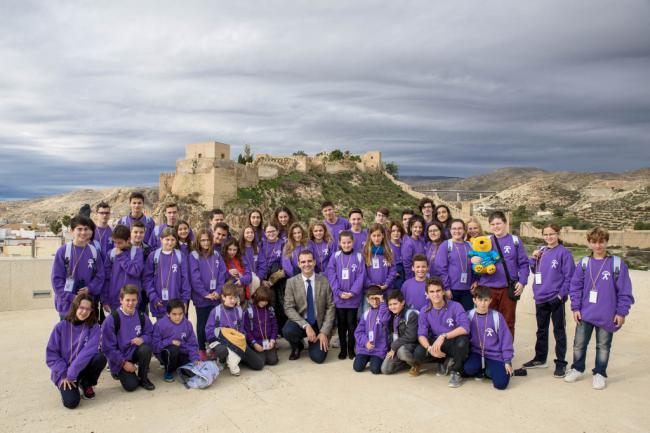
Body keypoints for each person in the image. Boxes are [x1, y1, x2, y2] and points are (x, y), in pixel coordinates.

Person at [565, 227, 634, 390]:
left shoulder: (616, 264)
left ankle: (600, 373)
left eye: (601, 242)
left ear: (606, 242)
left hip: (607, 314)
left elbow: (625, 290)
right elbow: (575, 287)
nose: (598, 246)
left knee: (603, 346)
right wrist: (575, 308)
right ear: (589, 243)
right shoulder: (584, 263)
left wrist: (621, 312)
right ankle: (577, 368)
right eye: (594, 242)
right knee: (579, 344)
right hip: (585, 312)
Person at [522, 223, 574, 378]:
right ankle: (540, 358)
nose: (549, 237)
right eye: (546, 234)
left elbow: (569, 277)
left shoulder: (564, 253)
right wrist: (533, 258)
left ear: (558, 234)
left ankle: (561, 363)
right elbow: (534, 270)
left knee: (559, 331)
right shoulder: (542, 250)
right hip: (540, 297)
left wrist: (560, 296)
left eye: (552, 234)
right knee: (541, 330)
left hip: (555, 298)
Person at [472, 211, 529, 337]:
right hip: (487, 287)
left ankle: (506, 353)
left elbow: (524, 264)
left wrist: (522, 281)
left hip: (507, 288)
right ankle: (488, 352)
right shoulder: (485, 241)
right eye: (492, 224)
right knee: (486, 321)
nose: (496, 227)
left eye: (498, 223)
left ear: (505, 223)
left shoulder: (515, 241)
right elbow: (476, 264)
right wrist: (474, 262)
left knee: (507, 321)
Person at [46, 293, 107, 408]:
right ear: (75, 307)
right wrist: (64, 374)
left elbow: (88, 352)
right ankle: (70, 385)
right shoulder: (60, 327)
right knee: (72, 402)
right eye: (81, 308)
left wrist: (71, 374)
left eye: (88, 309)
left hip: (78, 370)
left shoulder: (94, 328)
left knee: (100, 357)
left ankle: (86, 382)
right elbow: (51, 355)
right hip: (64, 373)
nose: (84, 312)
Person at [414, 277, 470, 387]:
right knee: (418, 353)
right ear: (427, 294)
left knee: (463, 341)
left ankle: (456, 372)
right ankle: (443, 361)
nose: (436, 294)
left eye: (438, 291)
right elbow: (421, 335)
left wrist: (443, 336)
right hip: (437, 343)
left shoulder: (455, 306)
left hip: (453, 341)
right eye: (432, 292)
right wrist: (430, 348)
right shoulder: (424, 310)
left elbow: (465, 328)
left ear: (443, 291)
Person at [283, 250, 336, 363]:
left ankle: (314, 341)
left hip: (319, 324)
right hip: (301, 322)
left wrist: (324, 332)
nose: (306, 264)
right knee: (288, 331)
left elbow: (330, 307)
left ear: (314, 262)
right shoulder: (291, 282)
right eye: (303, 262)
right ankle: (297, 346)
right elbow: (288, 308)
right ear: (298, 264)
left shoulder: (324, 281)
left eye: (309, 261)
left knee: (318, 358)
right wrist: (306, 325)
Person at [101, 284, 155, 391]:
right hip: (119, 357)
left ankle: (143, 378)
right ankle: (117, 371)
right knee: (131, 386)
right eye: (127, 300)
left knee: (145, 349)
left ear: (137, 300)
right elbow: (107, 348)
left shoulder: (141, 315)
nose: (131, 303)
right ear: (121, 300)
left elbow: (151, 334)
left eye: (133, 300)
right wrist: (123, 363)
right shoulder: (112, 320)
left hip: (134, 351)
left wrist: (143, 339)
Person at [51, 215, 105, 319]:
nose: (83, 232)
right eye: (79, 229)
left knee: (86, 334)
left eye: (86, 229)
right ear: (72, 231)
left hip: (87, 306)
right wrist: (71, 297)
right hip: (67, 306)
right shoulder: (63, 251)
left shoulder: (94, 252)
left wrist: (90, 288)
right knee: (68, 334)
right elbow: (56, 280)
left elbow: (100, 276)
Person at [205, 282, 265, 375]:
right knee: (222, 351)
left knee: (259, 364)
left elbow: (242, 329)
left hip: (236, 342)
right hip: (220, 341)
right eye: (230, 298)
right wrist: (224, 335)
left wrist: (242, 337)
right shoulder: (216, 311)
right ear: (223, 297)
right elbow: (208, 332)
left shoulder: (239, 310)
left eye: (235, 298)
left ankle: (238, 357)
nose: (233, 301)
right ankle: (221, 360)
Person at [463, 286, 514, 390]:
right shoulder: (469, 315)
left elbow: (506, 340)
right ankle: (484, 368)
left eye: (486, 300)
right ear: (474, 300)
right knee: (467, 369)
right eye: (480, 300)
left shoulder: (497, 316)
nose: (483, 303)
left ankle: (488, 370)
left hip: (494, 354)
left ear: (490, 300)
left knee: (501, 384)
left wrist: (507, 361)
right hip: (476, 352)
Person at [326, 230, 366, 359]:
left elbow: (361, 276)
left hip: (353, 298)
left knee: (352, 324)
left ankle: (351, 349)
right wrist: (338, 292)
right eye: (344, 242)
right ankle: (343, 349)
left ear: (353, 242)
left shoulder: (359, 256)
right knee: (341, 325)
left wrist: (352, 292)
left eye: (349, 242)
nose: (347, 245)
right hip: (339, 298)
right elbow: (331, 275)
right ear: (339, 243)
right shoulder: (335, 256)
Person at [189, 228, 226, 360]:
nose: (205, 243)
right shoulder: (193, 256)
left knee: (214, 323)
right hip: (202, 297)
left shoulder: (216, 255)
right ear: (198, 241)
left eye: (208, 240)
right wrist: (205, 294)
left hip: (215, 296)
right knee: (202, 323)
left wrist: (218, 291)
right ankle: (201, 348)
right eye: (202, 240)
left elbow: (222, 273)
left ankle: (213, 347)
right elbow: (195, 277)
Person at [143, 227, 191, 319]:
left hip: (176, 302)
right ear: (161, 239)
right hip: (159, 302)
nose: (170, 242)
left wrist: (184, 300)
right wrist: (153, 297)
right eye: (167, 239)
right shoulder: (153, 256)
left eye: (173, 239)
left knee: (177, 329)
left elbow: (185, 280)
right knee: (162, 329)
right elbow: (147, 279)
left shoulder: (180, 256)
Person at [152, 299, 200, 382]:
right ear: (168, 314)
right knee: (173, 350)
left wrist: (195, 359)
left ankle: (179, 367)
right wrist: (170, 341)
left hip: (182, 354)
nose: (178, 317)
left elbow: (193, 344)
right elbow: (155, 346)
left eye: (180, 314)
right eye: (174, 314)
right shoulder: (160, 324)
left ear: (184, 313)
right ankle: (168, 371)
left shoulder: (187, 324)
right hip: (167, 354)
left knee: (193, 373)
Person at [102, 225, 144, 316]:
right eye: (115, 242)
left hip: (132, 302)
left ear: (128, 239)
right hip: (115, 301)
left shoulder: (137, 252)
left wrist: (121, 257)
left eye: (120, 243)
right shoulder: (111, 254)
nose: (117, 245)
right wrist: (105, 300)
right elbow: (106, 279)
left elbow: (136, 271)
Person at [436, 219, 475, 311]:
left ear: (464, 230)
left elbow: (476, 265)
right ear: (450, 230)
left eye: (460, 228)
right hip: (452, 290)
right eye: (454, 228)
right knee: (451, 317)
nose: (457, 231)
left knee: (467, 316)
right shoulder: (446, 245)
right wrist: (446, 288)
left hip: (468, 290)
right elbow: (441, 269)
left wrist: (475, 280)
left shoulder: (470, 245)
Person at [353, 286, 391, 374]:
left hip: (379, 348)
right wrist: (365, 342)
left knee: (375, 370)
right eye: (371, 299)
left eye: (377, 298)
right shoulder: (366, 314)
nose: (374, 301)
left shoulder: (385, 311)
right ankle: (367, 357)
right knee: (357, 368)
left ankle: (374, 358)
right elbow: (359, 332)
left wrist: (382, 302)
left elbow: (384, 319)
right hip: (365, 347)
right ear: (367, 300)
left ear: (381, 298)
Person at [381, 290, 420, 375]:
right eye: (390, 305)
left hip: (413, 345)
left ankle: (415, 364)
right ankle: (405, 362)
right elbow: (391, 333)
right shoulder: (393, 315)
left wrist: (394, 347)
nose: (392, 307)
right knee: (385, 369)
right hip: (398, 345)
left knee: (402, 351)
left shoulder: (411, 314)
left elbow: (411, 337)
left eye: (395, 304)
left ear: (402, 302)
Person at [363, 223, 396, 310]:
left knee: (384, 315)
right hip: (370, 290)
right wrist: (372, 285)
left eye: (379, 235)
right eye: (374, 235)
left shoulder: (389, 251)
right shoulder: (366, 251)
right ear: (370, 236)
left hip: (386, 290)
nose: (376, 238)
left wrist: (386, 284)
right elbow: (363, 272)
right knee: (368, 315)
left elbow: (393, 270)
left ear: (383, 236)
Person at [261, 223, 288, 332]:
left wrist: (272, 280)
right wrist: (263, 279)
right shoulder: (261, 244)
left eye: (273, 231)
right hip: (264, 278)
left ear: (277, 231)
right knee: (270, 303)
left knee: (281, 303)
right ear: (265, 233)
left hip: (278, 277)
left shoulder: (283, 244)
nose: (271, 234)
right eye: (268, 232)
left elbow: (284, 265)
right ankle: (272, 330)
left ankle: (283, 329)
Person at [245, 286, 279, 366]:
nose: (264, 303)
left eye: (266, 301)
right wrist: (254, 343)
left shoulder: (270, 310)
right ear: (257, 297)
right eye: (262, 300)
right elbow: (247, 330)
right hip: (256, 343)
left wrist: (272, 340)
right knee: (261, 362)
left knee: (273, 361)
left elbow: (275, 326)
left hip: (268, 342)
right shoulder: (249, 311)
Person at [130, 221, 152, 314]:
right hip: (128, 290)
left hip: (143, 291)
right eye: (135, 232)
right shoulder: (124, 249)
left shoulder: (148, 249)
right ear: (130, 232)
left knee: (143, 320)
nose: (138, 235)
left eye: (141, 232)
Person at [222, 238, 253, 302]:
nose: (232, 252)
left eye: (234, 250)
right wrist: (228, 272)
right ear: (226, 249)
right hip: (228, 293)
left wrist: (242, 280)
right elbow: (221, 276)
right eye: (230, 249)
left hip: (242, 292)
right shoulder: (222, 260)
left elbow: (249, 274)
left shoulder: (241, 258)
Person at [240, 225, 268, 293]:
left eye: (252, 232)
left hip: (256, 280)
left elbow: (262, 265)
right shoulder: (239, 248)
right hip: (244, 278)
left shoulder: (257, 248)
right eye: (247, 233)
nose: (250, 234)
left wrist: (258, 278)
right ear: (243, 234)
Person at [401, 214, 426, 280]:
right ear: (410, 228)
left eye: (420, 227)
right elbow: (407, 264)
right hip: (413, 277)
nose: (418, 229)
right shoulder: (408, 243)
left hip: (423, 274)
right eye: (415, 227)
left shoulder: (422, 240)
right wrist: (412, 279)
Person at [388, 221, 406, 289]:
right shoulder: (387, 246)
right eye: (393, 231)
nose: (396, 233)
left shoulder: (404, 245)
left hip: (403, 275)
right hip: (393, 278)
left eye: (398, 231)